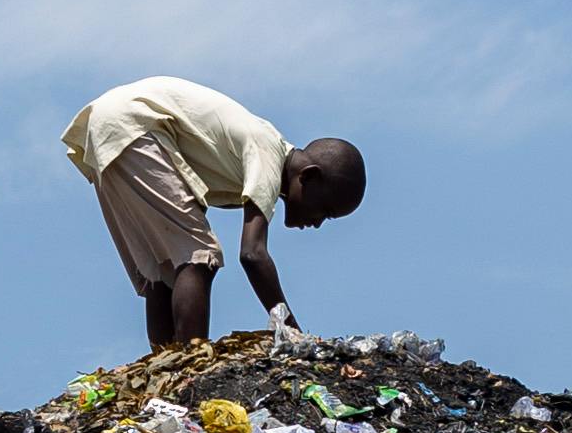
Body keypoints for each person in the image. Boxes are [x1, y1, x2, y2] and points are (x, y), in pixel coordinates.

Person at [61, 75, 365, 353]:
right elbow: (252, 254)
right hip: (137, 126)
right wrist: (292, 332)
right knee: (199, 255)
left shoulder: (261, 153)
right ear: (308, 177)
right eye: (325, 210)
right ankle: (193, 362)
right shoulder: (268, 151)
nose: (318, 222)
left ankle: (166, 364)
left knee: (163, 267)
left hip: (112, 130)